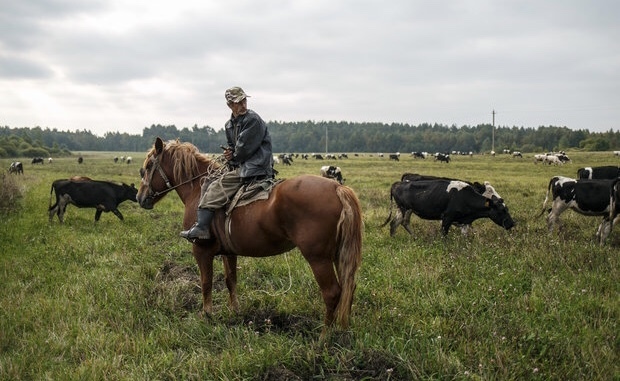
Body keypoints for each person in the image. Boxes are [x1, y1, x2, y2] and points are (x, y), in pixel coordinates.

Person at [180, 86, 273, 241]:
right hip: (240, 165)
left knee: (216, 187)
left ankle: (202, 228)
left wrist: (233, 155)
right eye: (239, 102)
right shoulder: (229, 125)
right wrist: (230, 153)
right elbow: (234, 147)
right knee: (208, 180)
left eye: (244, 100)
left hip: (253, 168)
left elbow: (243, 150)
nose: (243, 104)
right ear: (230, 105)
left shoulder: (253, 120)